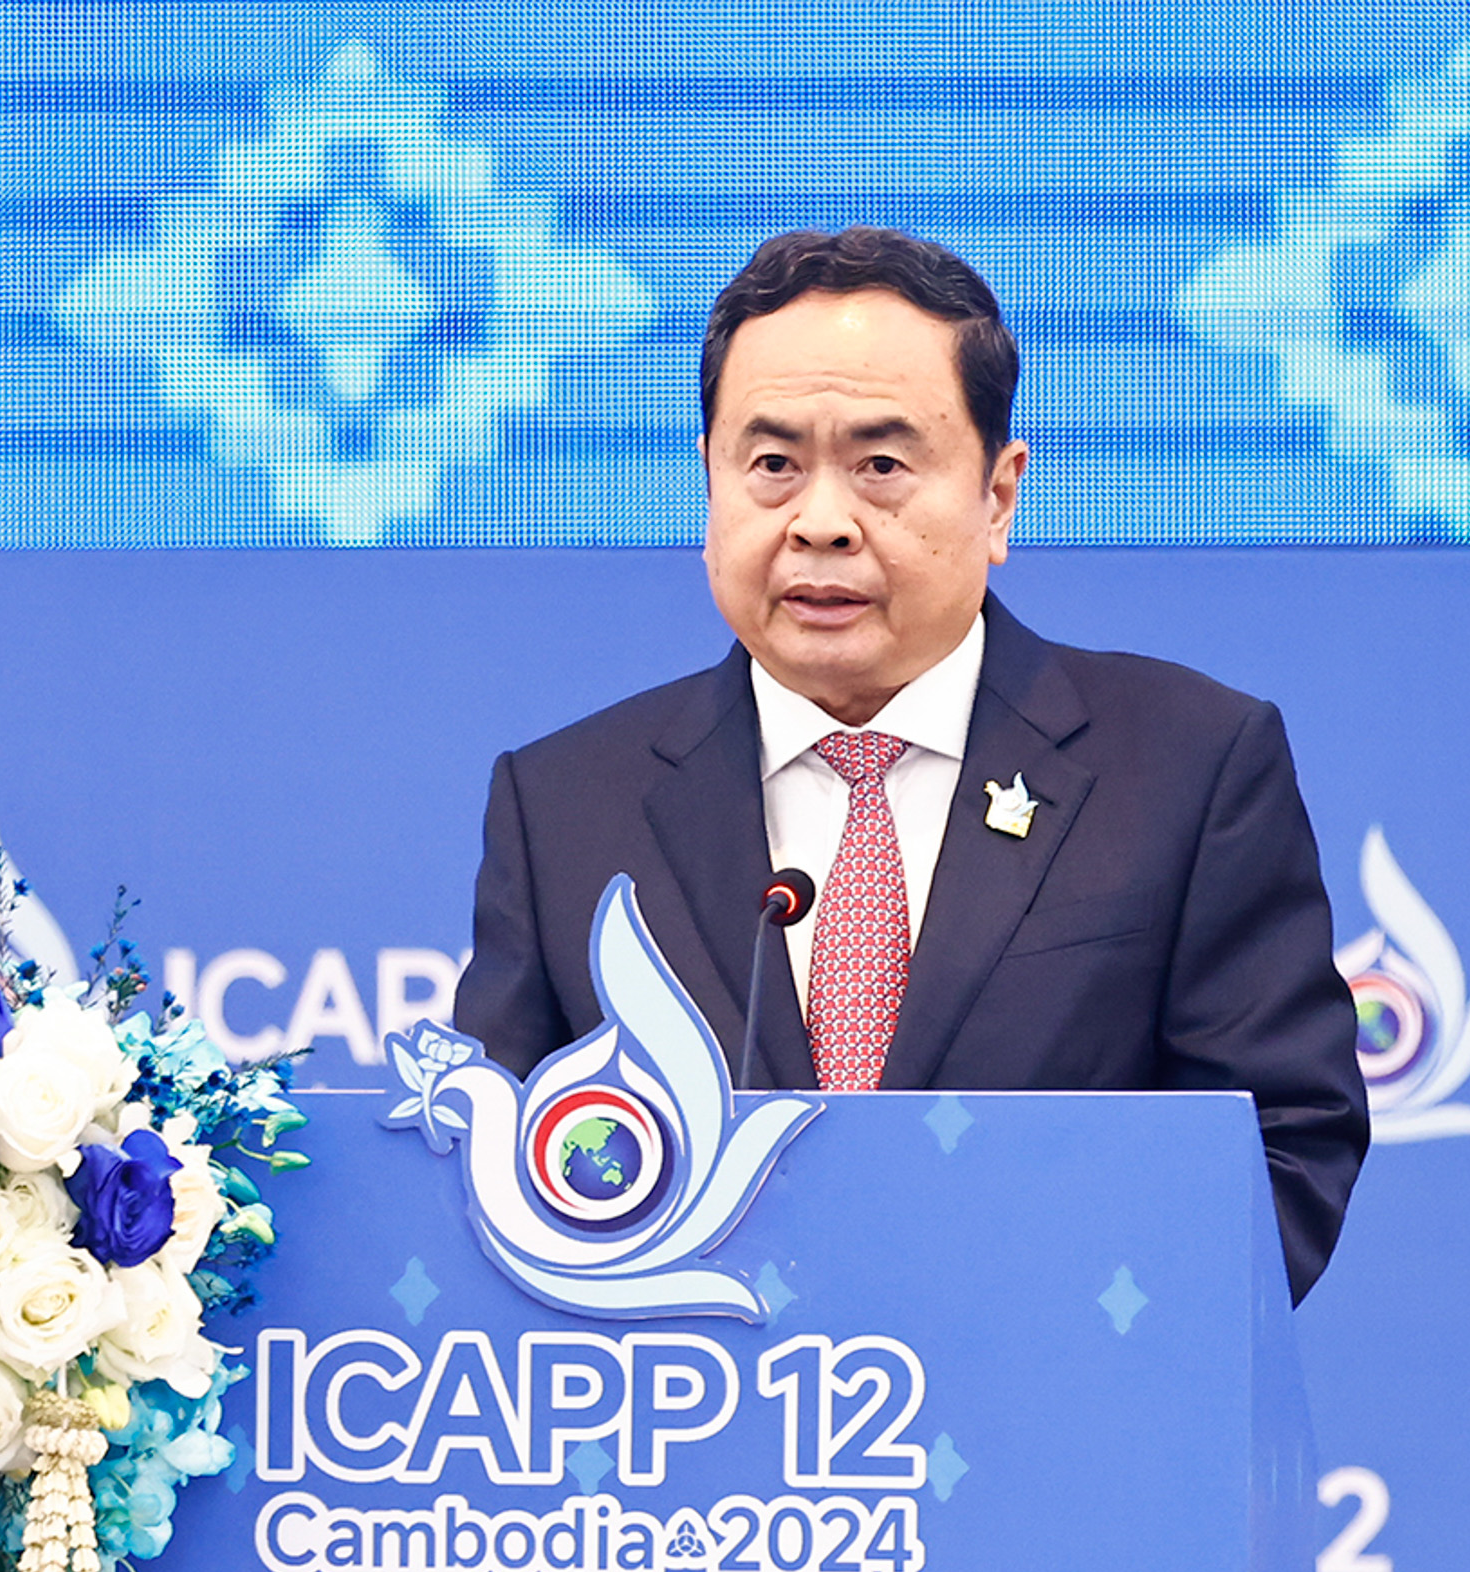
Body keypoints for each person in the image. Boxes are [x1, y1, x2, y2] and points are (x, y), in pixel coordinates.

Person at [453, 226, 1366, 1301]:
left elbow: (1280, 1152)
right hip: (699, 1398)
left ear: (998, 495)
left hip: (1053, 1393)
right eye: (773, 466)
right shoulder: (565, 804)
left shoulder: (1187, 765)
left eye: (881, 466)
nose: (822, 523)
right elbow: (490, 1185)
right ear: (710, 481)